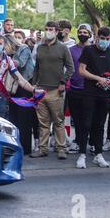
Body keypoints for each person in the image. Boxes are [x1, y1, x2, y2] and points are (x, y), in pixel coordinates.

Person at [30, 21, 74, 160]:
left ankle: (61, 148)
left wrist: (63, 82)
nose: (48, 31)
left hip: (56, 90)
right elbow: (37, 68)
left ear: (56, 31)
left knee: (58, 121)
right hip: (41, 90)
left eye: (51, 29)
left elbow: (71, 68)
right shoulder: (40, 47)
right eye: (46, 29)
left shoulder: (62, 48)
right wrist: (34, 86)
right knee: (43, 123)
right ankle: (42, 149)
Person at [77, 26, 110, 169]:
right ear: (97, 37)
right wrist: (98, 79)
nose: (105, 42)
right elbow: (81, 70)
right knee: (86, 123)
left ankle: (98, 154)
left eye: (108, 39)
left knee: (100, 125)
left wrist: (109, 81)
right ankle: (82, 154)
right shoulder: (88, 50)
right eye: (102, 38)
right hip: (89, 92)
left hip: (105, 93)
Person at [0, 34, 42, 120]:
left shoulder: (8, 60)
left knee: (0, 126)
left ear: (4, 45)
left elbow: (19, 79)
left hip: (1, 99)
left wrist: (33, 90)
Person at [66, 24, 93, 154]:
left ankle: (91, 142)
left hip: (89, 89)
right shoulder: (71, 50)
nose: (82, 34)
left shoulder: (93, 49)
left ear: (90, 34)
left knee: (89, 118)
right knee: (76, 118)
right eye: (80, 32)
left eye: (85, 32)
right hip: (74, 88)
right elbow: (67, 68)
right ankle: (78, 141)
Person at [8, 33, 36, 154]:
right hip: (13, 87)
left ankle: (25, 147)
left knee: (24, 118)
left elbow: (20, 64)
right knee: (13, 117)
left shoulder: (23, 48)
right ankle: (15, 145)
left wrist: (7, 59)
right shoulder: (8, 54)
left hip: (24, 85)